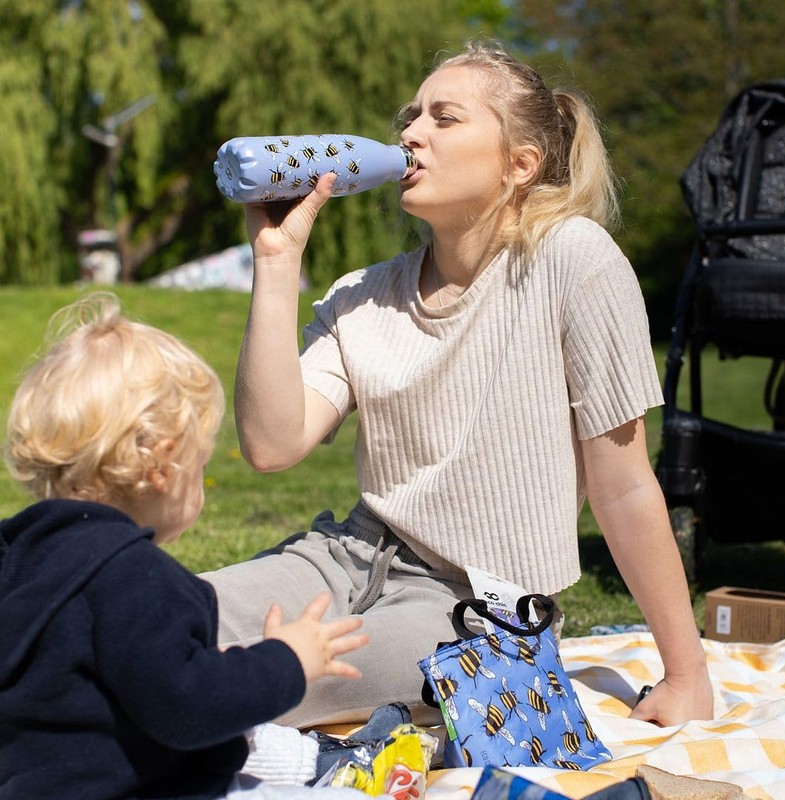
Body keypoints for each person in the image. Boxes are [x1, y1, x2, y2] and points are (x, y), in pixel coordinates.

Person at [202, 38, 714, 730]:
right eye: (411, 117)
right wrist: (276, 259)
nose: (411, 133)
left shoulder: (574, 262)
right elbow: (271, 445)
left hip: (479, 608)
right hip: (345, 558)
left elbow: (623, 487)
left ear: (519, 165)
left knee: (255, 680)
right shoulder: (363, 296)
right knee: (159, 618)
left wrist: (686, 674)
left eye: (444, 118)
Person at [0, 293, 367, 800]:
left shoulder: (20, 559)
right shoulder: (131, 577)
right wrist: (286, 660)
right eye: (200, 467)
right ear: (162, 467)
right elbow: (191, 705)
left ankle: (310, 761)